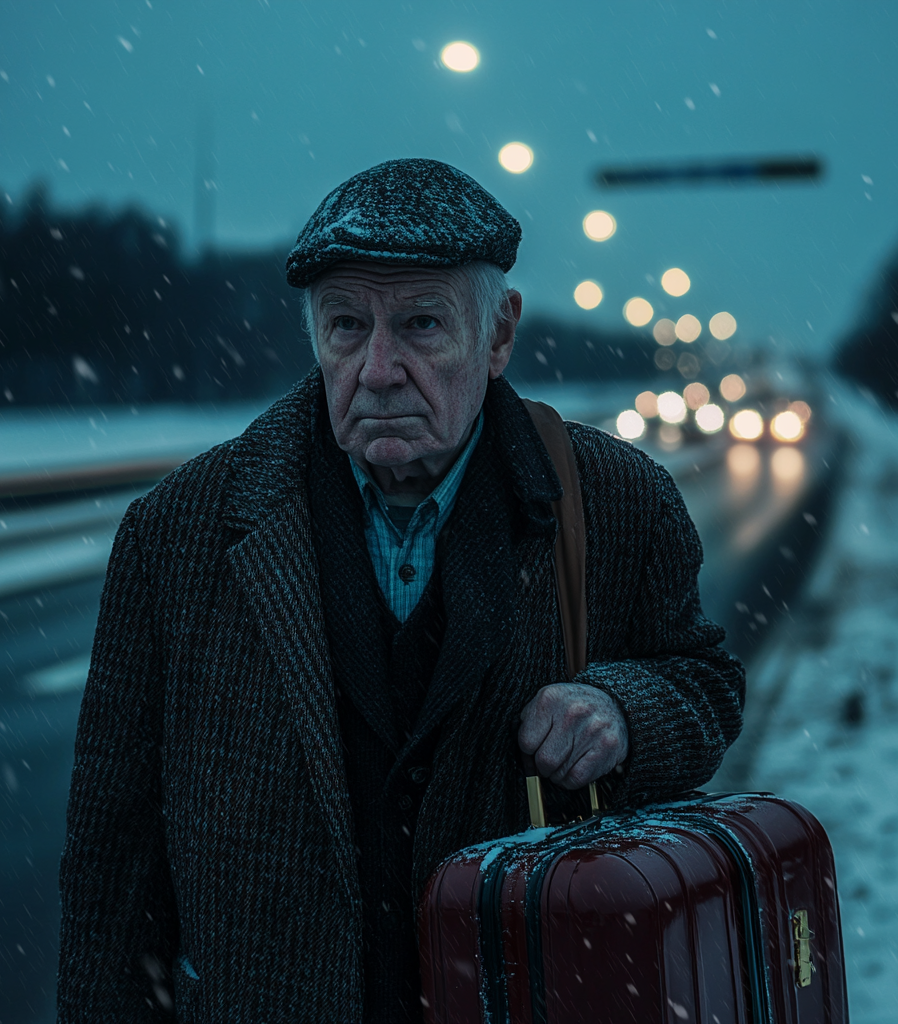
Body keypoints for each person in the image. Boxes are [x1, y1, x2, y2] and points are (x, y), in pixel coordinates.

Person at [57, 158, 745, 1022]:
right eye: (347, 326)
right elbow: (111, 862)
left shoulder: (614, 501)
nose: (377, 369)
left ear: (499, 336)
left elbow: (705, 682)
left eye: (422, 325)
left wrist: (624, 710)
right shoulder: (178, 531)